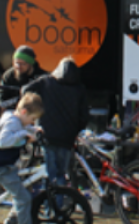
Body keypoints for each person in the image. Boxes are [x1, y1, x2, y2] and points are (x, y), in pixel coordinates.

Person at [0, 92, 45, 224]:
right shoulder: (12, 122)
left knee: (23, 196)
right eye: (32, 118)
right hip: (1, 168)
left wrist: (33, 129)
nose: (32, 122)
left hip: (6, 166)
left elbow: (22, 126)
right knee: (23, 198)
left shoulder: (14, 118)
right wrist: (24, 135)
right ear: (24, 112)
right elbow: (4, 141)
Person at [22, 55, 89, 187]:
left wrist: (34, 111)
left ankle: (48, 204)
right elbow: (84, 116)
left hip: (47, 134)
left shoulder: (46, 81)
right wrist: (76, 130)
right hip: (67, 138)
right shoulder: (79, 89)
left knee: (49, 173)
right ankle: (58, 203)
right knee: (60, 174)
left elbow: (25, 89)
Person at [0, 45, 47, 110]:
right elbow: (2, 97)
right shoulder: (8, 75)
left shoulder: (42, 77)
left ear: (30, 64)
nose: (18, 66)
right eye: (16, 63)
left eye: (23, 64)